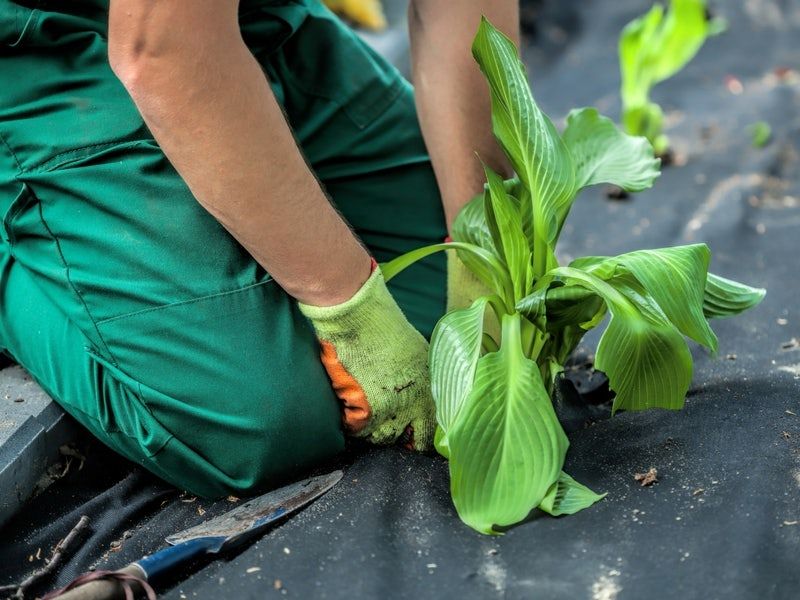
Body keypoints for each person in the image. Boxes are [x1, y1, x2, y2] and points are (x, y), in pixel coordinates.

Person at [0, 0, 517, 498]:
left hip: (241, 19)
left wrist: (478, 242)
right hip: (39, 52)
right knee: (255, 421)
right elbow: (163, 52)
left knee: (436, 320)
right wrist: (354, 314)